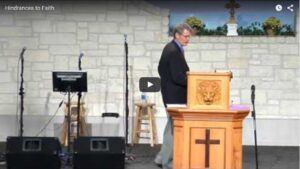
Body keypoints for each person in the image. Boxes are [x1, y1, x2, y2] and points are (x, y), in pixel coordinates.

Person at [154, 23, 193, 169]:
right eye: (186, 36)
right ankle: (168, 163)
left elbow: (160, 69)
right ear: (177, 35)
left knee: (171, 128)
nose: (188, 39)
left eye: (189, 36)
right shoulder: (173, 51)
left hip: (171, 94)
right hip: (175, 96)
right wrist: (193, 81)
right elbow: (178, 77)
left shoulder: (171, 47)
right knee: (174, 129)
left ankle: (161, 158)